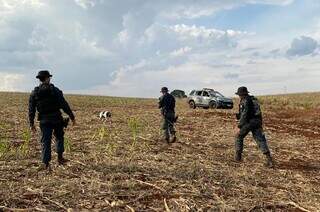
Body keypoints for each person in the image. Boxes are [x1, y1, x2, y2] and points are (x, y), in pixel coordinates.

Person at [29, 70, 76, 171]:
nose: (49, 78)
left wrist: (31, 123)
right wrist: (72, 117)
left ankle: (46, 163)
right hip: (57, 119)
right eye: (49, 77)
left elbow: (31, 109)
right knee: (59, 137)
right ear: (47, 78)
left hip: (44, 121)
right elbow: (64, 105)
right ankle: (60, 158)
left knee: (45, 141)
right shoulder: (55, 90)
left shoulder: (34, 92)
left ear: (39, 79)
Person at [234, 86, 274, 168]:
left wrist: (239, 125)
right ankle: (269, 160)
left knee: (238, 136)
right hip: (257, 122)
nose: (239, 96)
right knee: (260, 140)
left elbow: (245, 114)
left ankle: (238, 157)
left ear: (242, 94)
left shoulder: (245, 101)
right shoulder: (254, 100)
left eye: (239, 94)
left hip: (249, 122)